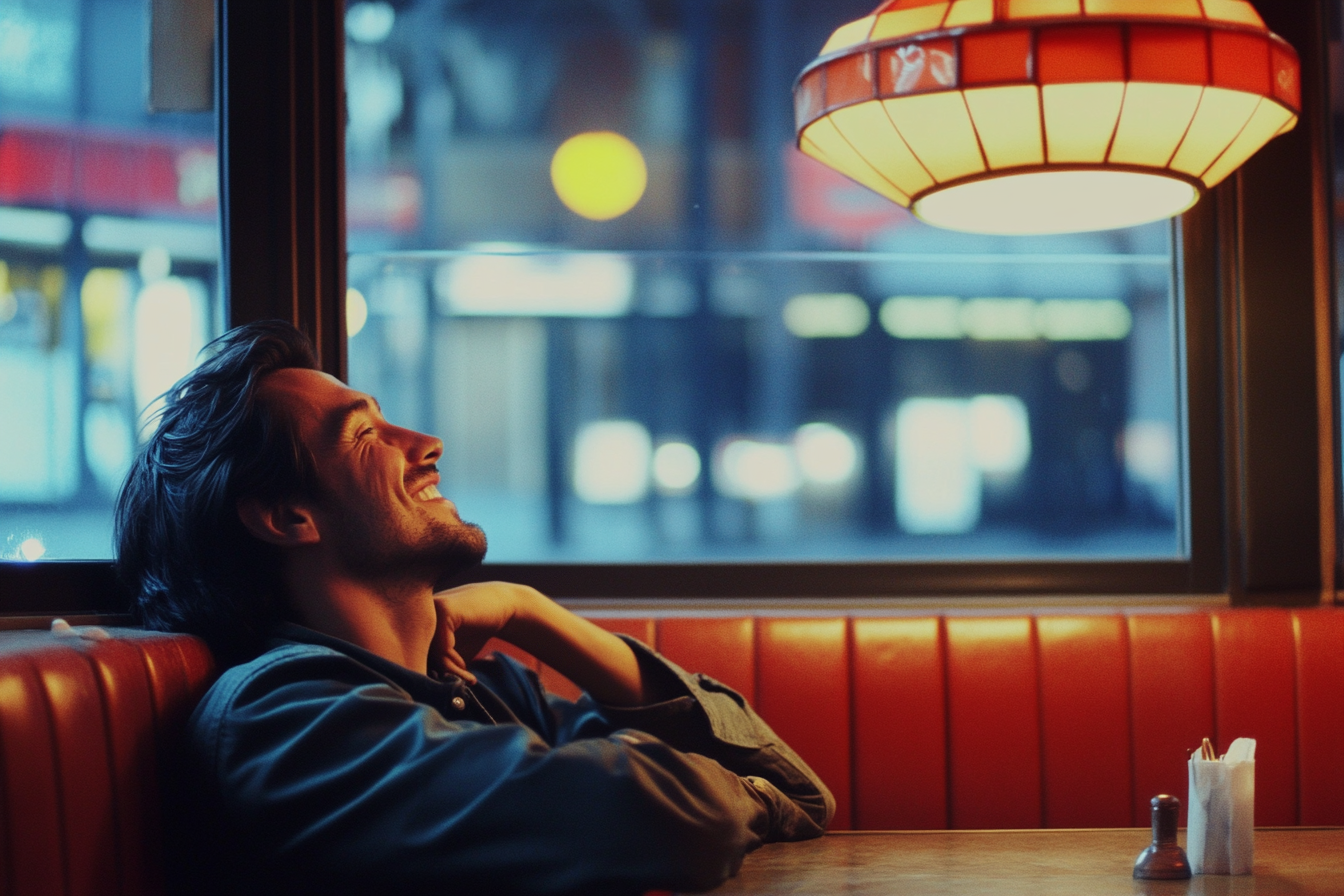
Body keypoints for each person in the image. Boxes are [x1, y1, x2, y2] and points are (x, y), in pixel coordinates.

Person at [115, 320, 833, 895]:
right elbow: (671, 818)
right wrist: (750, 799)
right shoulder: (280, 716)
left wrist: (533, 614)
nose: (427, 445)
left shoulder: (478, 687)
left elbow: (804, 794)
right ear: (286, 516)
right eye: (366, 435)